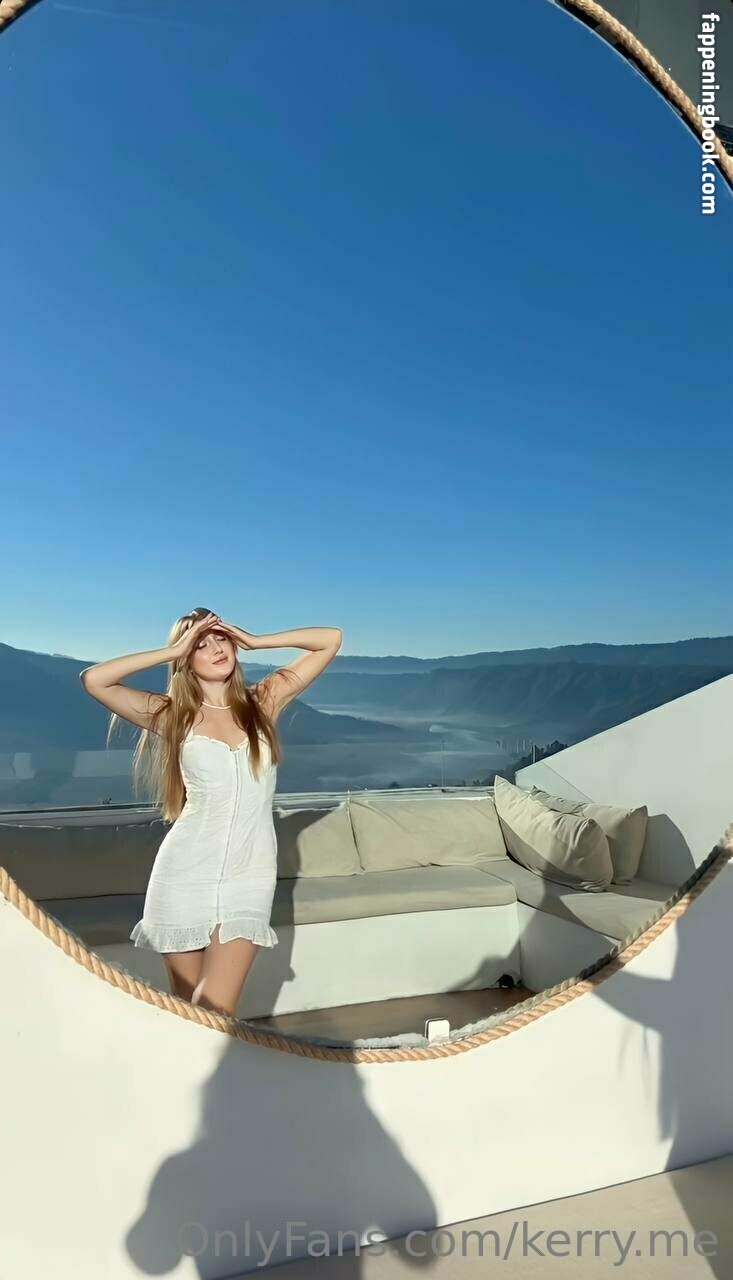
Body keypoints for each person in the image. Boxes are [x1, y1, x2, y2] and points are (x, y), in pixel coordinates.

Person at [79, 608, 342, 1017]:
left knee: (213, 1010)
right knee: (188, 1018)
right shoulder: (173, 715)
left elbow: (330, 639)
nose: (216, 648)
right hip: (184, 874)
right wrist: (174, 650)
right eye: (201, 644)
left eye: (221, 638)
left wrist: (257, 641)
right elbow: (95, 680)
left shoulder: (262, 702)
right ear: (186, 659)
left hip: (249, 876)